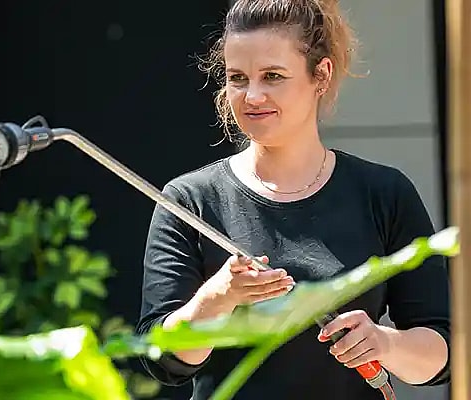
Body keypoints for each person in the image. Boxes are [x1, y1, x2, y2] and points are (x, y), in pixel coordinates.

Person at [135, 0, 451, 399]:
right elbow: (161, 359)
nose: (251, 96)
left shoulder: (385, 194)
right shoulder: (189, 200)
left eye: (272, 76)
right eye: (237, 78)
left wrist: (383, 344)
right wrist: (219, 299)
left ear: (321, 75)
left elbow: (441, 353)